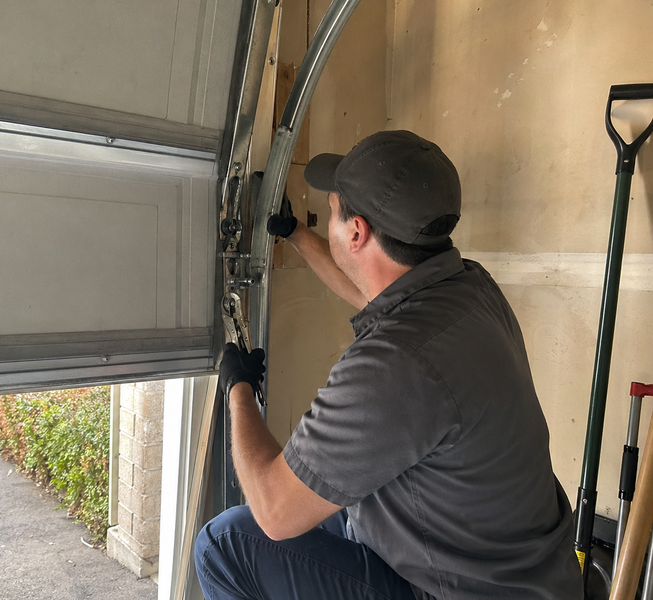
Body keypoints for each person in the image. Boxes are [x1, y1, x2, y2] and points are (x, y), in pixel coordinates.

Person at [195, 130, 584, 599]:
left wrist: (238, 387)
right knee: (336, 505)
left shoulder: (394, 365)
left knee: (225, 541)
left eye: (334, 210)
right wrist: (296, 233)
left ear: (356, 233)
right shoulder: (468, 288)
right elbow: (364, 289)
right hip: (516, 570)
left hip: (454, 590)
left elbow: (274, 511)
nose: (331, 217)